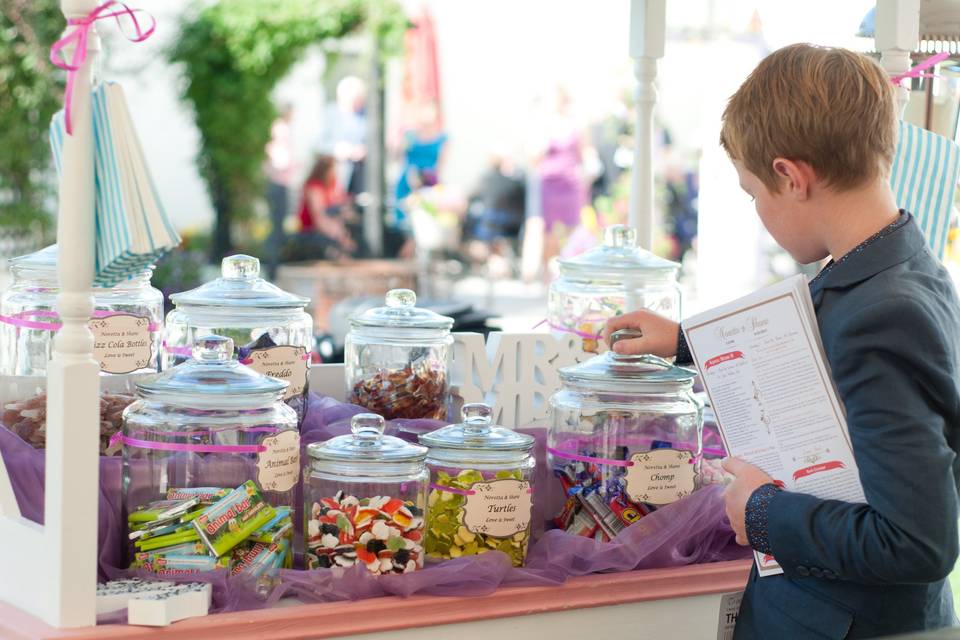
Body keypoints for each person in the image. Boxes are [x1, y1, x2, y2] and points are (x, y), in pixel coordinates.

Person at [604, 44, 960, 638]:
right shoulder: (892, 267)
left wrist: (762, 514)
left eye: (753, 195)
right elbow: (813, 344)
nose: (758, 212)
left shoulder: (884, 315)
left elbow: (917, 543)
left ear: (790, 177)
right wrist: (688, 341)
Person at [295, 155, 355, 259]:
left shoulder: (330, 186)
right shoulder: (314, 187)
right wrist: (340, 235)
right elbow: (319, 217)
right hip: (313, 231)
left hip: (329, 228)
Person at [264, 103, 296, 277]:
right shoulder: (280, 132)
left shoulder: (277, 133)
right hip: (278, 184)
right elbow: (282, 161)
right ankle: (273, 267)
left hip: (278, 183)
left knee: (278, 228)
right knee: (277, 228)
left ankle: (274, 265)